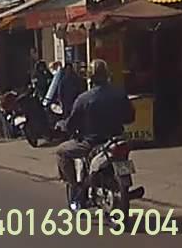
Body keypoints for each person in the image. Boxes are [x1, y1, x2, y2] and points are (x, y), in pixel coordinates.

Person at [55, 60, 135, 206]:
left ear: (90, 77)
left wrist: (62, 126)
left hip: (92, 143)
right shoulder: (119, 93)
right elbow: (130, 117)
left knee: (61, 152)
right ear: (107, 75)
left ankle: (75, 186)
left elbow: (71, 124)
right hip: (117, 140)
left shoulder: (83, 99)